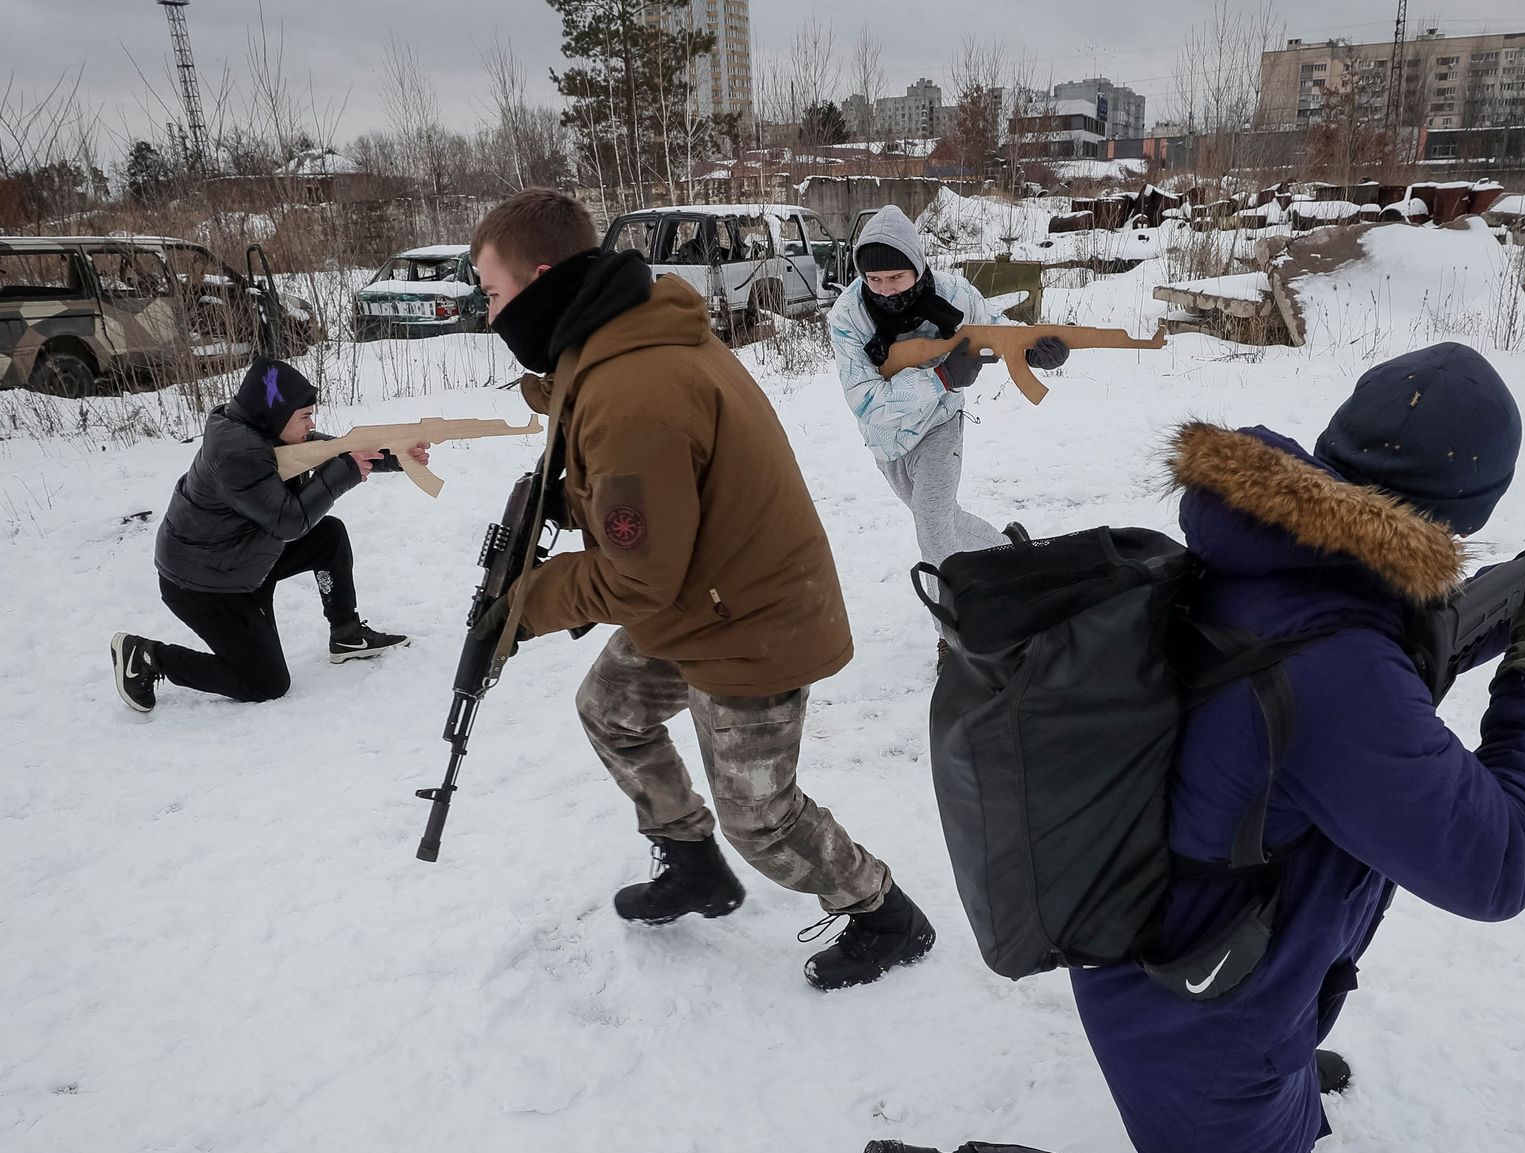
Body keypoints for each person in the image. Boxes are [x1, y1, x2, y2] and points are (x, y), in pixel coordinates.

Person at [851, 342, 1525, 1153]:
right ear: (1461, 512)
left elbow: (1399, 635)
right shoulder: (1337, 669)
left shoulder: (1279, 546)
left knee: (1288, 1045)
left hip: (1177, 927)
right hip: (1193, 1003)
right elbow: (1497, 861)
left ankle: (1286, 1082)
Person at [470, 187, 935, 991]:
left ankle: (883, 910)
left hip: (750, 624)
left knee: (762, 820)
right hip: (703, 596)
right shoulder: (613, 340)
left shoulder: (631, 389)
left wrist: (526, 604)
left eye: (493, 293)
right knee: (610, 710)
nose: (489, 315)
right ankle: (691, 864)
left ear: (542, 277)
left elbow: (631, 574)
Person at [110, 356, 421, 712]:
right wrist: (345, 473)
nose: (312, 423)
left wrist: (395, 457)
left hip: (239, 557)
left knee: (328, 536)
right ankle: (147, 656)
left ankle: (346, 634)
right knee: (266, 682)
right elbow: (289, 522)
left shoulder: (264, 432)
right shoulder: (236, 453)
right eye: (304, 416)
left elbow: (328, 450)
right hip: (203, 584)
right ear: (276, 415)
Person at [827, 206, 1070, 593]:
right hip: (886, 439)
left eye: (896, 277)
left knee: (933, 525)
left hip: (940, 425)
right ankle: (1009, 550)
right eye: (874, 279)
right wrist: (941, 377)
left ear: (918, 267)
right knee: (943, 518)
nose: (885, 289)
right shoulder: (848, 317)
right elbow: (866, 402)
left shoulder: (955, 295)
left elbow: (995, 331)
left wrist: (1030, 350)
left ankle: (952, 632)